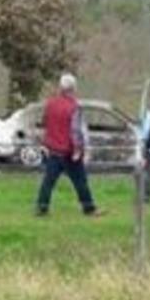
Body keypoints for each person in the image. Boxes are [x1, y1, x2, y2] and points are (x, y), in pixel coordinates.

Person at [36, 74, 103, 217]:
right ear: (73, 89)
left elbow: (46, 124)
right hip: (68, 151)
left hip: (53, 149)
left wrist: (46, 143)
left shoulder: (50, 104)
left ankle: (42, 207)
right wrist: (79, 149)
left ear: (60, 88)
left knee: (48, 181)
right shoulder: (74, 107)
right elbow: (76, 130)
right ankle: (89, 208)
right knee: (80, 181)